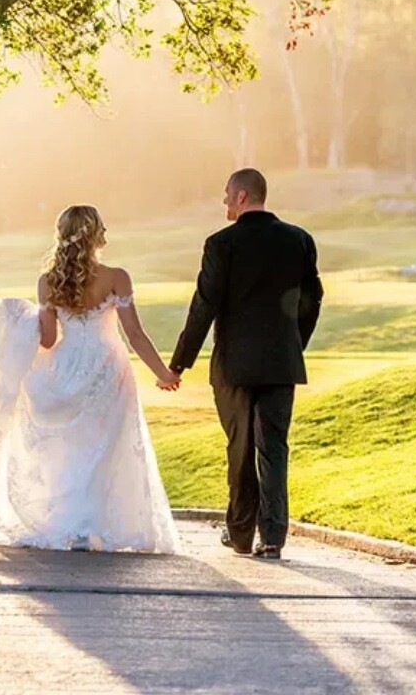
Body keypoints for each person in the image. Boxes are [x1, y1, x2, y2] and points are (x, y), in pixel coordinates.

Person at [0, 205, 182, 554]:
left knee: (73, 449)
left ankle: (74, 527)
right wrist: (163, 373)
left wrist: (21, 323)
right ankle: (96, 526)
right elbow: (135, 335)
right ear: (95, 234)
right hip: (107, 368)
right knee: (105, 448)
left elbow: (49, 340)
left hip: (66, 367)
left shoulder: (48, 282)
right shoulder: (117, 277)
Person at [169, 169, 323, 560]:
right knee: (274, 448)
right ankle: (272, 537)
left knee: (239, 448)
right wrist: (294, 344)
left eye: (226, 194)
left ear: (241, 196)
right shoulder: (299, 240)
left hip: (234, 366)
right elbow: (312, 299)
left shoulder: (221, 244)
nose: (223, 201)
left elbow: (204, 305)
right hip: (281, 364)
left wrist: (180, 363)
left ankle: (240, 534)